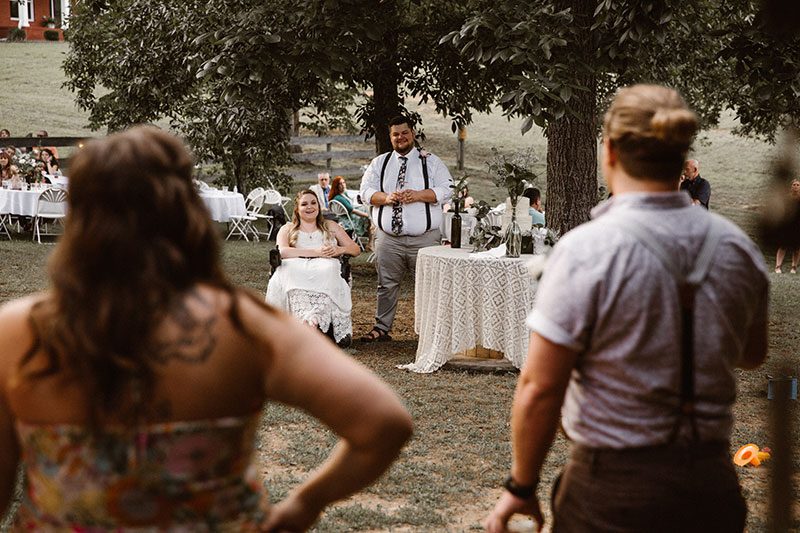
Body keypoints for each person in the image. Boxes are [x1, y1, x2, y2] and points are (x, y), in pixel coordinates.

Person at [0, 127, 412, 531]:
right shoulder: (241, 324)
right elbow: (383, 423)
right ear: (186, 211)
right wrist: (305, 505)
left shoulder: (14, 332)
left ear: (80, 218)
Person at [484, 85, 768, 533]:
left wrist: (520, 488)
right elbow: (752, 354)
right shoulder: (737, 248)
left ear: (610, 151)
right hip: (711, 487)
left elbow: (539, 387)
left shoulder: (588, 250)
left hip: (613, 490)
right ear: (682, 158)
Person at [358, 115, 453, 342]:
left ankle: (431, 331)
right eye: (395, 134)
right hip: (388, 238)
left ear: (413, 133)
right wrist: (386, 197)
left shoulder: (430, 161)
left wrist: (419, 195)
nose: (400, 137)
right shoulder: (379, 163)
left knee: (429, 285)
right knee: (386, 285)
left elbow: (448, 189)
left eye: (404, 133)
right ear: (390, 137)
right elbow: (365, 192)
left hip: (425, 238)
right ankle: (381, 328)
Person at [266, 190, 361, 347]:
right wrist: (315, 252)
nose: (309, 207)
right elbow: (282, 251)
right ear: (297, 208)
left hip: (324, 266)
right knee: (289, 270)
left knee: (329, 268)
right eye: (304, 204)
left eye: (313, 203)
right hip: (296, 266)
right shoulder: (288, 228)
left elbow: (355, 249)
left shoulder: (330, 226)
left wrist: (339, 250)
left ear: (318, 206)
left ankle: (315, 321)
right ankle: (305, 321)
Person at [774, 178, 800, 273]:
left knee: (797, 248)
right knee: (783, 246)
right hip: (786, 225)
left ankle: (794, 267)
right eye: (794, 185)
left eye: (798, 185)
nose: (796, 187)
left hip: (797, 226)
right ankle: (778, 266)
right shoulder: (786, 198)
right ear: (791, 186)